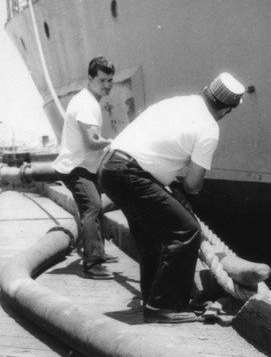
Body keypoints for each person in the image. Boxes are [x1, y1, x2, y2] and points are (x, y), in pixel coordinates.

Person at [99, 72, 246, 322]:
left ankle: (154, 301)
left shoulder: (179, 102)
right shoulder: (209, 128)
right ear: (226, 110)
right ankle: (165, 307)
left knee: (152, 240)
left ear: (205, 90)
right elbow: (192, 185)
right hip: (132, 174)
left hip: (111, 168)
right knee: (186, 231)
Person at [53, 56, 118, 280]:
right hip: (75, 167)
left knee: (95, 208)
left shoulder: (90, 100)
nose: (107, 85)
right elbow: (92, 141)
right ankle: (92, 264)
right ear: (90, 79)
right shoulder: (86, 104)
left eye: (110, 80)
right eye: (102, 80)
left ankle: (97, 252)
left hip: (85, 166)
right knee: (93, 207)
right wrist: (114, 143)